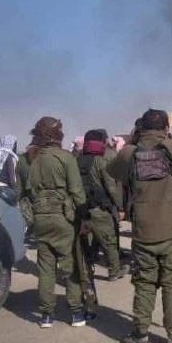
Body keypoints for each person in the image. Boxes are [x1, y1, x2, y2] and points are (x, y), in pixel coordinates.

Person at [109, 109, 172, 343]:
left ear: (141, 128)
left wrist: (132, 140)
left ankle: (140, 333)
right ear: (165, 128)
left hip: (143, 230)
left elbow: (113, 175)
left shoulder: (129, 152)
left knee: (145, 282)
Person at [26, 117, 87, 329]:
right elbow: (77, 191)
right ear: (55, 134)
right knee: (70, 267)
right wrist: (84, 217)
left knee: (46, 268)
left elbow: (30, 192)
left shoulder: (34, 159)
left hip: (40, 217)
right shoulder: (65, 157)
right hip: (63, 217)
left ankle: (46, 316)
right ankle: (77, 313)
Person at [77, 129, 126, 282]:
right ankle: (114, 271)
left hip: (80, 209)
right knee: (109, 242)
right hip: (99, 209)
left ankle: (84, 271)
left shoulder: (77, 160)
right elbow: (111, 186)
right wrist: (120, 207)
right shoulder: (101, 161)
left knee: (83, 243)